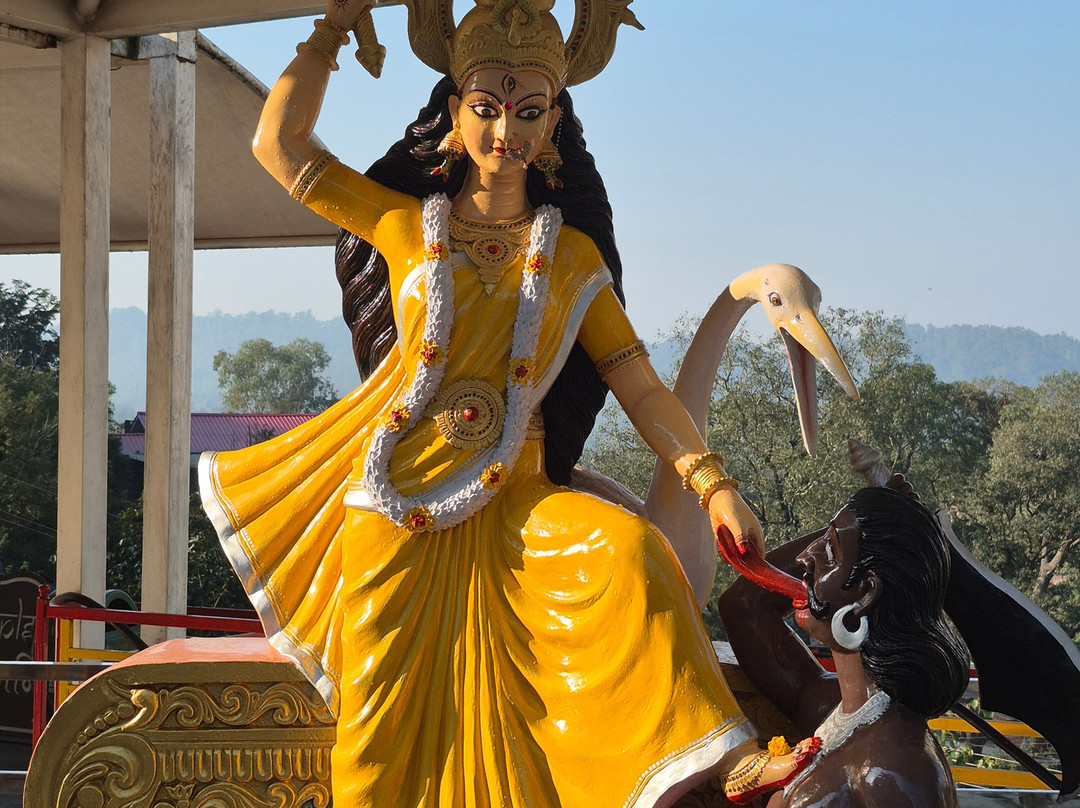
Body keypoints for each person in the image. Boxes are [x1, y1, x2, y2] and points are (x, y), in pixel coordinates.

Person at [199, 1, 817, 805]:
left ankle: (717, 755)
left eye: (528, 112)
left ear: (554, 120)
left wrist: (711, 482)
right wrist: (331, 32)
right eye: (487, 110)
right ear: (454, 114)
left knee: (634, 556)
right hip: (396, 502)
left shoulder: (571, 256)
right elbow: (278, 147)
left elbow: (637, 381)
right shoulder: (398, 223)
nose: (506, 133)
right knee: (379, 738)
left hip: (519, 499)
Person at [719, 483, 970, 807]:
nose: (804, 557)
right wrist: (864, 524)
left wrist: (861, 529)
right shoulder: (830, 707)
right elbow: (745, 605)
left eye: (830, 552)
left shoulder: (897, 764)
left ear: (866, 592)